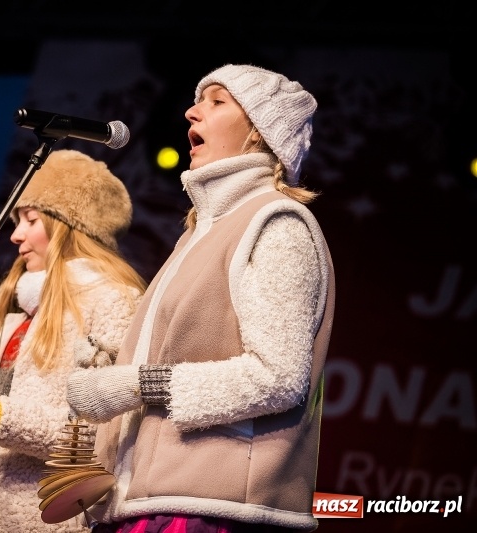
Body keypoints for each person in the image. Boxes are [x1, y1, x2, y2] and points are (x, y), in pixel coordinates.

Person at [67, 64, 336, 532]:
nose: (191, 112)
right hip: (152, 501)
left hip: (208, 510)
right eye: (197, 101)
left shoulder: (277, 224)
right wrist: (112, 366)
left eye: (216, 102)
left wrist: (136, 385)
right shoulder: (200, 232)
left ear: (258, 130)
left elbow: (279, 377)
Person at [0, 149, 147, 532]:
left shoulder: (114, 301)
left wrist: (0, 415)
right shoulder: (17, 316)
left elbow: (101, 433)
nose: (16, 235)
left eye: (30, 220)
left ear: (69, 226)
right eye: (17, 221)